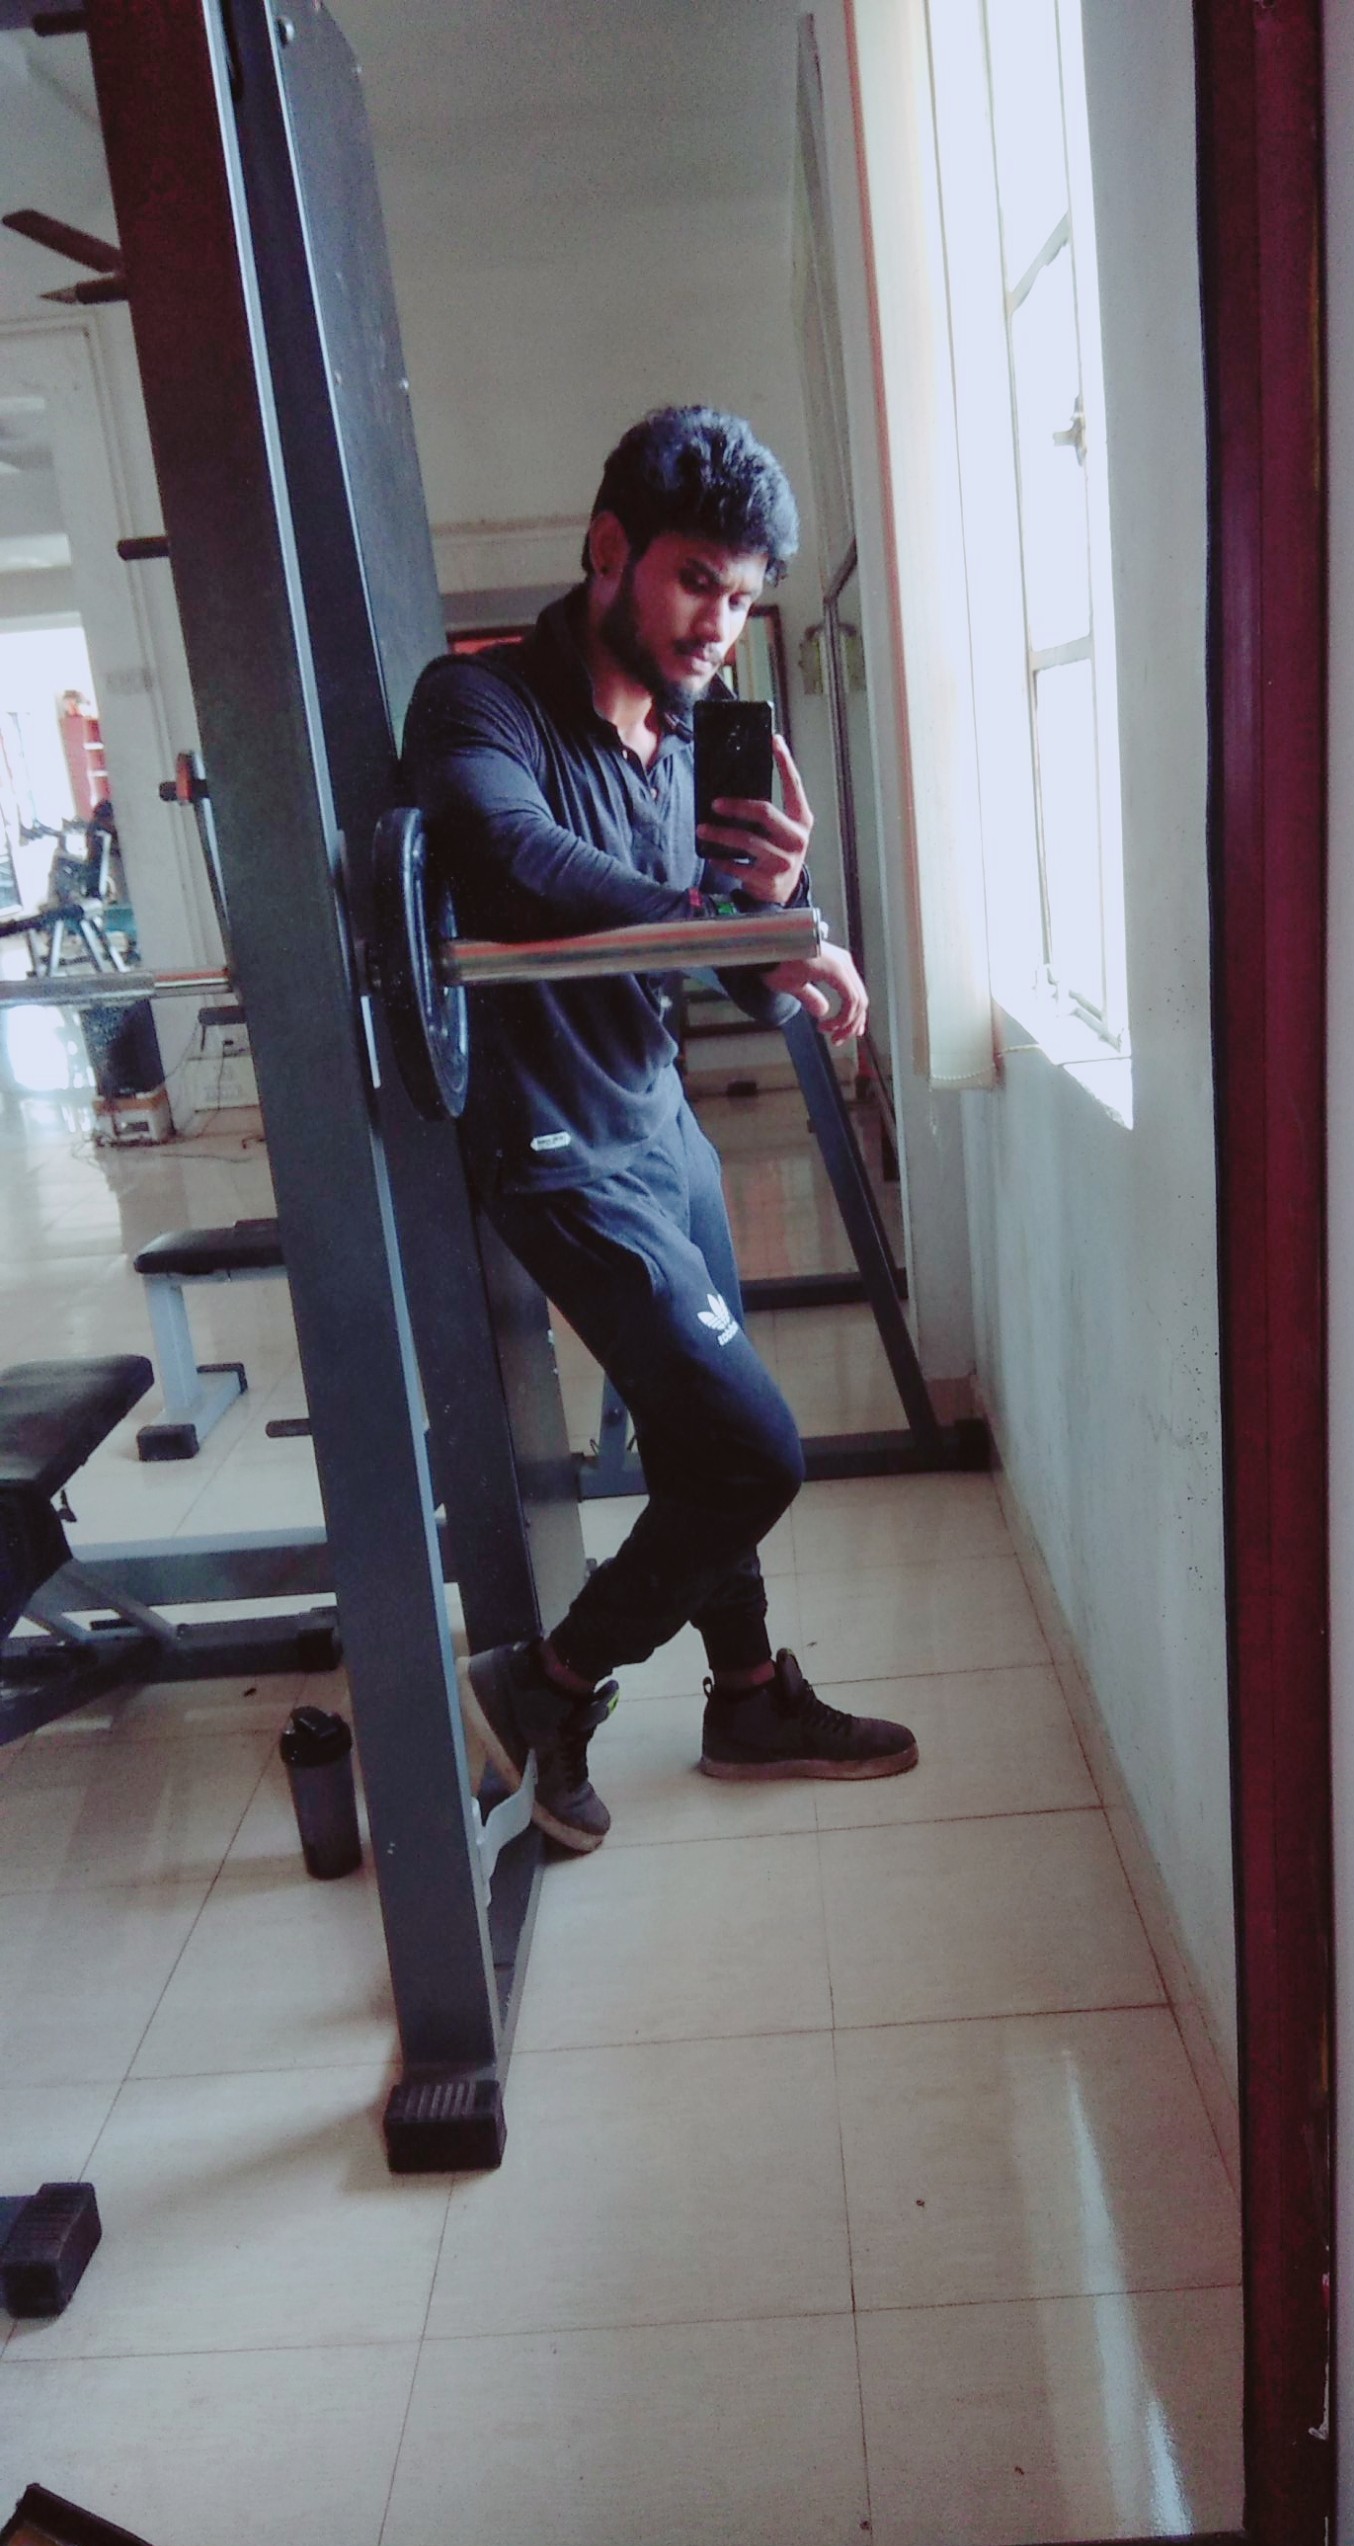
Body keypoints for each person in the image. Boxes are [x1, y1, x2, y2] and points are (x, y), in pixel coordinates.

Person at [402, 405, 918, 1854]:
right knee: (753, 1452)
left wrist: (776, 923)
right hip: (556, 1144)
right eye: (697, 581)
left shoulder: (693, 733)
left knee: (706, 1435)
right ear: (609, 548)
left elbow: (722, 965)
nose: (718, 626)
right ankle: (547, 1683)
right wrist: (722, 916)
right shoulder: (478, 703)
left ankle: (745, 1698)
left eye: (742, 599)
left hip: (660, 1125)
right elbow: (515, 858)